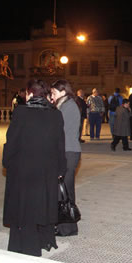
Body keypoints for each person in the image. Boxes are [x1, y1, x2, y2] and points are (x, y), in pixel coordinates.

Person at [3, 79, 66, 257]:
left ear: (29, 93)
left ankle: (26, 247)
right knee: (42, 207)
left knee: (24, 210)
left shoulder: (21, 112)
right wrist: (61, 169)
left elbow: (12, 142)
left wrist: (7, 163)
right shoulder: (55, 115)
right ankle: (43, 240)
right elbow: (60, 145)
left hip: (23, 170)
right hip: (46, 170)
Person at [51, 79, 82, 237]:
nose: (52, 95)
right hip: (67, 150)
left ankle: (68, 227)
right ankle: (64, 225)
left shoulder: (68, 106)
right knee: (63, 190)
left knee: (65, 190)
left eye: (54, 92)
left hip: (68, 151)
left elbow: (60, 130)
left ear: (63, 91)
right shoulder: (63, 105)